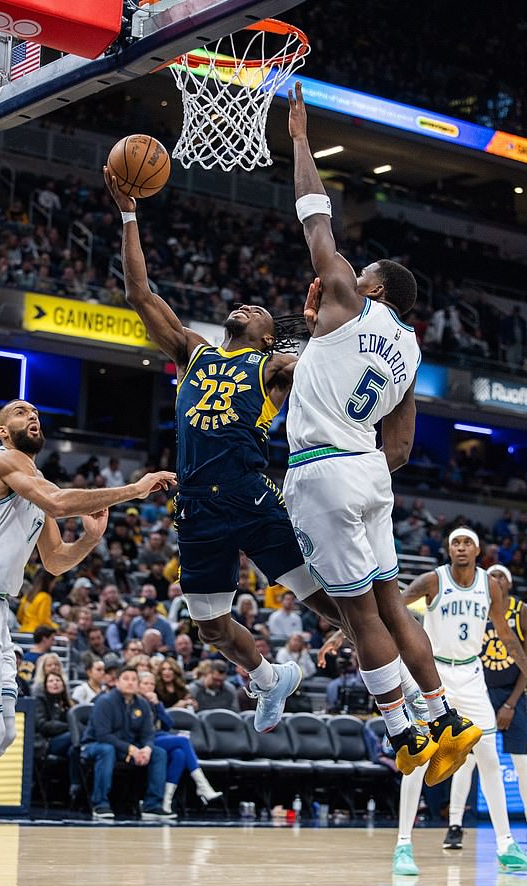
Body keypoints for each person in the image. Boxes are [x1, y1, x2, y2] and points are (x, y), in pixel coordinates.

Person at [0, 397, 175, 886]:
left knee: (2, 730)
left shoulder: (35, 488)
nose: (33, 418)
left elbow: (55, 561)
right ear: (4, 432)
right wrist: (136, 488)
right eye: (22, 413)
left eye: (37, 414)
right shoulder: (3, 464)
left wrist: (90, 540)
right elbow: (58, 502)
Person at [107, 170, 352, 735]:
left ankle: (389, 664)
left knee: (316, 597)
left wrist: (317, 329)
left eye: (257, 308)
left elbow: (326, 360)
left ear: (268, 336)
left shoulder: (273, 366)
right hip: (197, 503)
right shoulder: (193, 352)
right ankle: (270, 679)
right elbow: (138, 294)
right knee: (210, 626)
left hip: (248, 491)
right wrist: (128, 213)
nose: (246, 305)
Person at [283, 82, 482, 776]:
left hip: (324, 468)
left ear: (374, 288)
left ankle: (403, 733)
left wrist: (302, 139)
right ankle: (446, 717)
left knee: (356, 615)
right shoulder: (413, 351)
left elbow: (315, 218)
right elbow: (399, 447)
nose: (350, 273)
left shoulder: (344, 296)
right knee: (393, 606)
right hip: (371, 473)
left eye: (360, 274)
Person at [392, 529, 527, 876]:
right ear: (448, 549)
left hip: (471, 676)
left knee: (489, 760)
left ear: (478, 550)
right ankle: (403, 845)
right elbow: (391, 609)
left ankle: (506, 845)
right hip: (433, 674)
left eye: (467, 542)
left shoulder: (490, 585)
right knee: (419, 757)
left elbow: (507, 636)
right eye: (456, 542)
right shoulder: (432, 580)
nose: (461, 547)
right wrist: (341, 631)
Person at [443, 563, 527, 850]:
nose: (495, 580)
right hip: (477, 692)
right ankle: (455, 826)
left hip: (513, 696)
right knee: (465, 763)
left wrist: (511, 703)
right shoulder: (473, 607)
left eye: (500, 576)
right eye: (491, 576)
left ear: (508, 584)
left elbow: (526, 662)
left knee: (523, 765)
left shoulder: (521, 611)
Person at [81, 665, 175, 820]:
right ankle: (100, 803)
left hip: (127, 748)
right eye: (126, 679)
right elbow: (103, 735)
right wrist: (131, 749)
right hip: (94, 745)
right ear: (117, 682)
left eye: (134, 680)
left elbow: (148, 734)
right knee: (107, 749)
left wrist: (146, 749)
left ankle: (152, 805)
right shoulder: (105, 701)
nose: (130, 683)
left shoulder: (143, 704)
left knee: (159, 753)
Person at [137, 671, 221, 813]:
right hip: (142, 742)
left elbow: (168, 724)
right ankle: (203, 786)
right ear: (138, 686)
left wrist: (158, 704)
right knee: (183, 740)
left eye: (152, 684)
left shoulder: (154, 702)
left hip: (156, 737)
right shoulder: (135, 702)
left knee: (179, 754)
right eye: (145, 684)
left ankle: (166, 802)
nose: (149, 687)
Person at [34, 670, 80, 799]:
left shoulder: (71, 702)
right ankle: (76, 785)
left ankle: (75, 787)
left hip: (68, 742)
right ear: (45, 685)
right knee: (75, 737)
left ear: (63, 684)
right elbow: (43, 726)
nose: (55, 683)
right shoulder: (40, 700)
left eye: (58, 680)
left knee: (74, 749)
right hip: (46, 743)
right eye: (51, 681)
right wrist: (70, 728)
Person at [17, 568, 58, 632]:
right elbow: (44, 620)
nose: (54, 585)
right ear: (49, 582)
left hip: (22, 631)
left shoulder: (27, 596)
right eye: (54, 582)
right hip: (36, 634)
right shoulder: (45, 597)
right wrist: (57, 627)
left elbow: (20, 617)